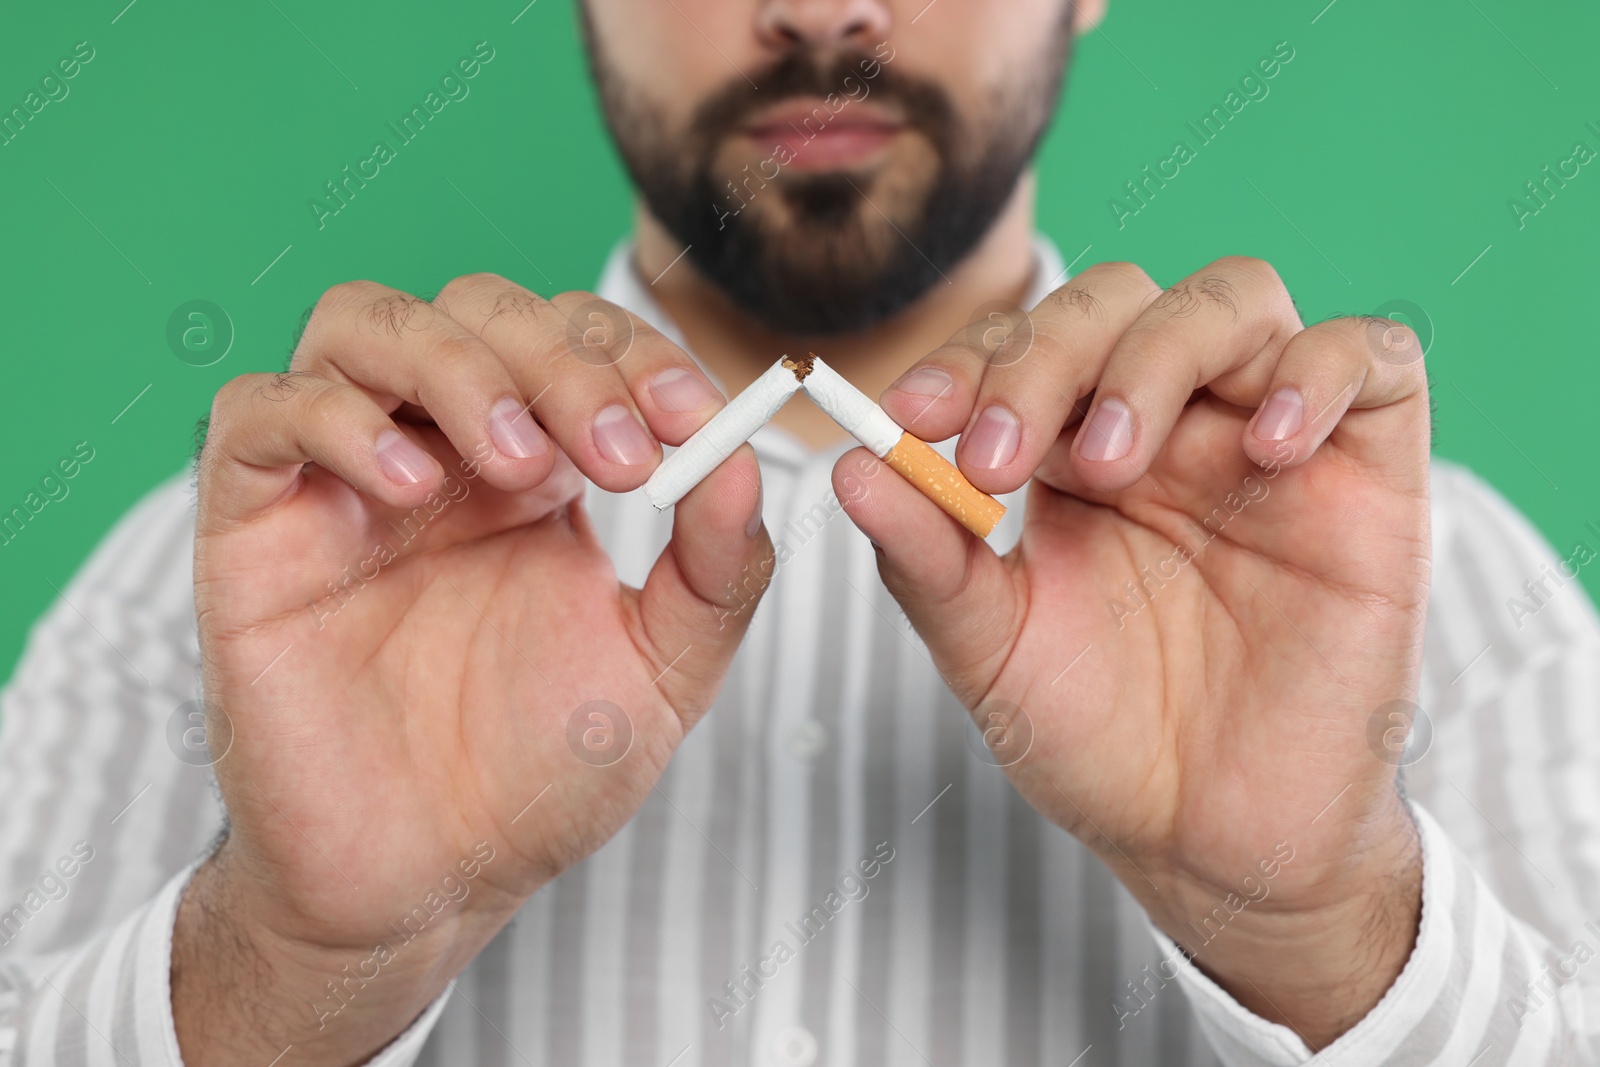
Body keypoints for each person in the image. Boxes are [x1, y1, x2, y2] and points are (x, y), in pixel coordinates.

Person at [2, 1, 1597, 1064]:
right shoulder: (221, 589)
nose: (828, 7)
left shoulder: (1445, 600)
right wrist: (285, 966)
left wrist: (1325, 929)